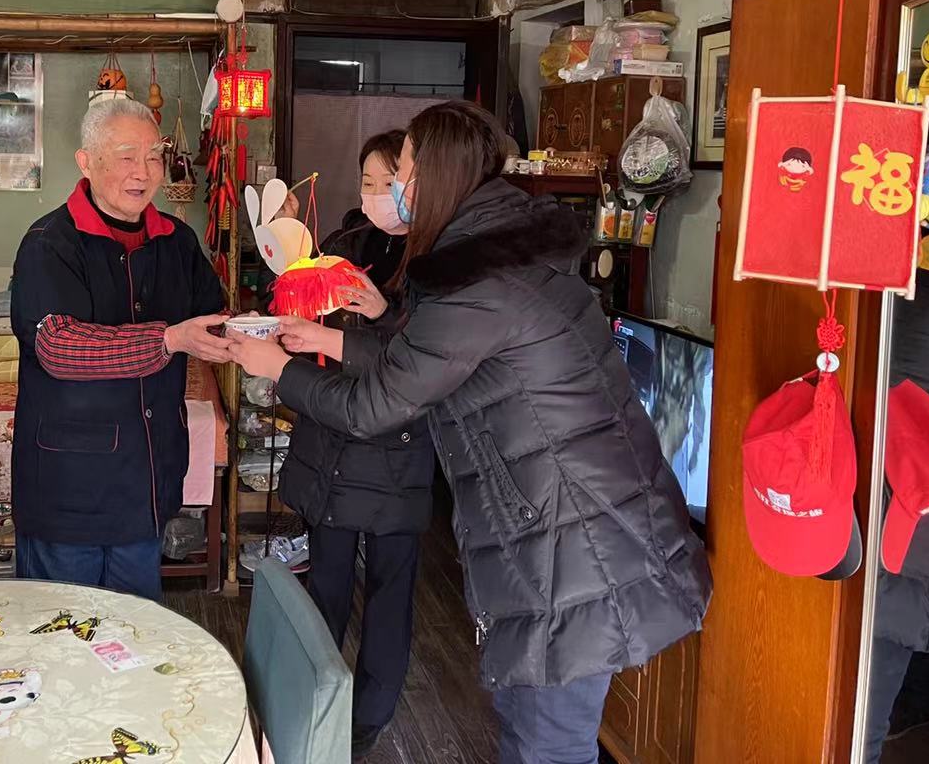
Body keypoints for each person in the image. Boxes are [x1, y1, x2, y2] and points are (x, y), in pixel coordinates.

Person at [228, 100, 711, 764]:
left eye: (400, 171)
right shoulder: (494, 260)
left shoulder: (478, 283)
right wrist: (325, 342)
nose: (393, 187)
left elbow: (378, 405)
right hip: (573, 532)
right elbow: (423, 361)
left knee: (545, 744)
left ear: (432, 176)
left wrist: (279, 368)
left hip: (572, 550)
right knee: (531, 728)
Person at [9, 97, 232, 600]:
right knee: (61, 631)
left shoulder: (176, 240)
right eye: (127, 156)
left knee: (136, 630)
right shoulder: (49, 243)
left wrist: (262, 326)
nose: (143, 172)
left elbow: (211, 317)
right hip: (69, 491)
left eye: (154, 156)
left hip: (147, 483)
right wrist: (169, 339)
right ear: (87, 162)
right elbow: (59, 346)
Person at [276, 130, 432, 758]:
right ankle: (312, 704)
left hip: (396, 452)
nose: (377, 194)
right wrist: (287, 245)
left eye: (389, 182)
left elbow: (426, 362)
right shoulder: (344, 245)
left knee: (391, 592)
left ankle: (367, 722)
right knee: (327, 585)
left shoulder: (439, 259)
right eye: (368, 182)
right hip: (333, 441)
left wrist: (382, 313)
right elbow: (299, 302)